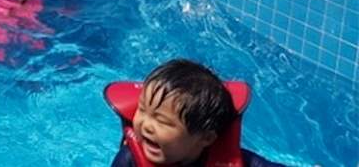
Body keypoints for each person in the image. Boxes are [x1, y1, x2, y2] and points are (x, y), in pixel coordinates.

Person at [106, 59, 288, 167]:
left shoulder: (231, 159)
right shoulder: (129, 160)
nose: (146, 125)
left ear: (206, 138)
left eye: (163, 121)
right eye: (142, 109)